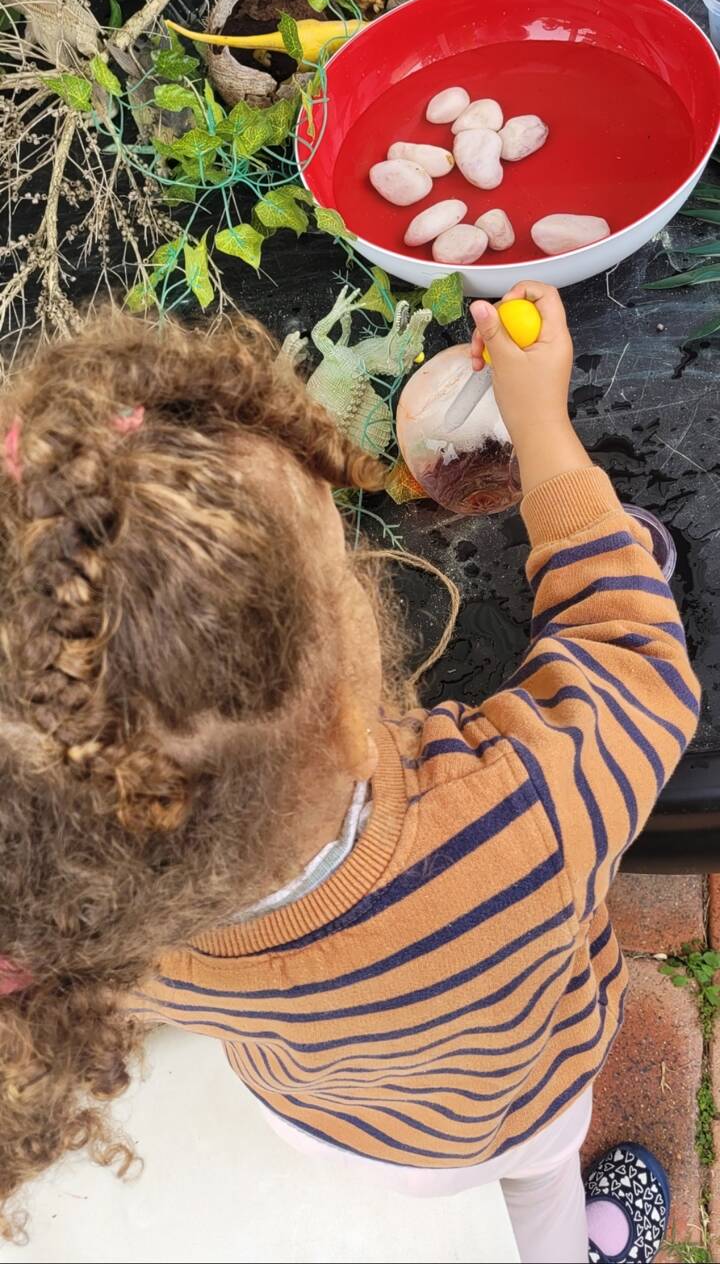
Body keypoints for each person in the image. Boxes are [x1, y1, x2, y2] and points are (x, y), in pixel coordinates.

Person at [0, 284, 698, 1264]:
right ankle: (567, 1247)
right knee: (536, 1174)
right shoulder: (519, 811)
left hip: (336, 1124)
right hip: (518, 1093)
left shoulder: (106, 922)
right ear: (350, 710)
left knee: (482, 1193)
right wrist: (542, 429)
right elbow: (630, 645)